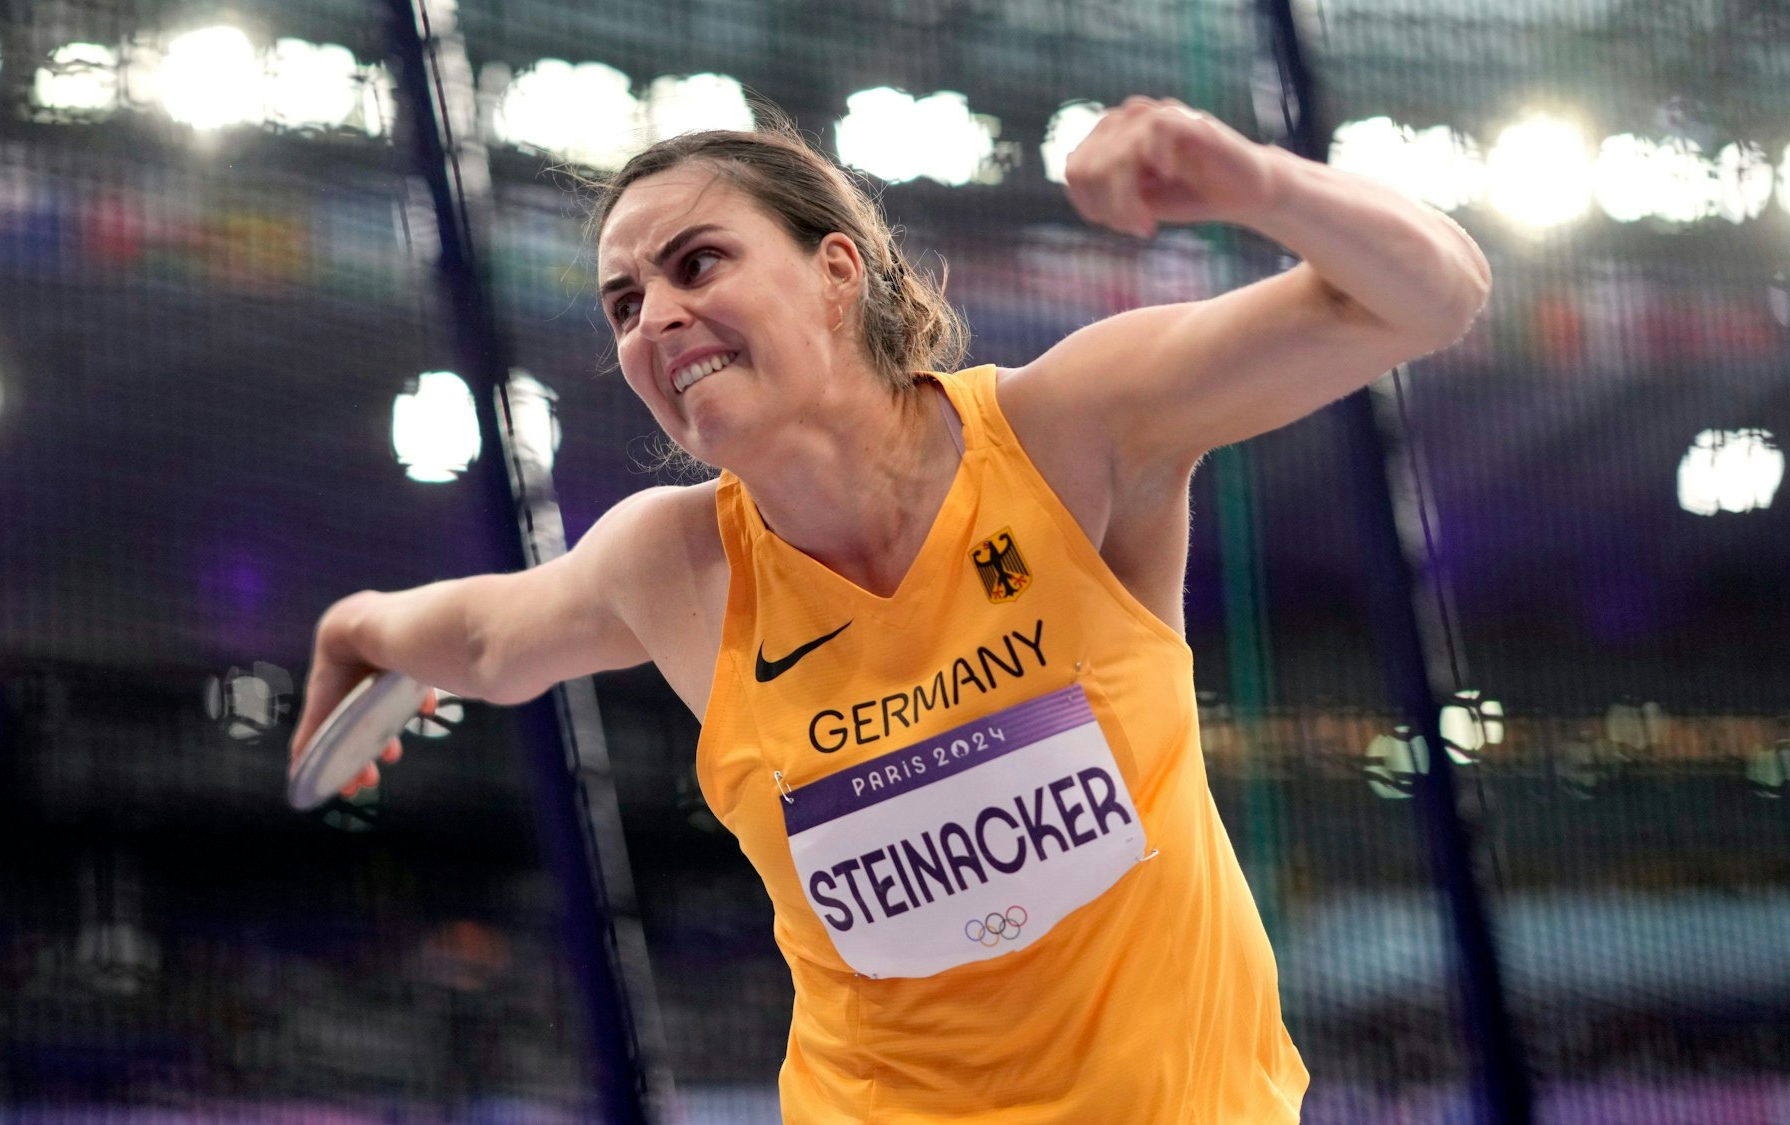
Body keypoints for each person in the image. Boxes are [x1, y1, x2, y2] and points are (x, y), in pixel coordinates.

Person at [290, 96, 1490, 1122]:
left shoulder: (1064, 434)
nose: (653, 316)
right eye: (622, 302)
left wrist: (1256, 184)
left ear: (835, 271)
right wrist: (358, 628)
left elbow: (1428, 300)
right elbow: (490, 639)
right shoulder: (674, 565)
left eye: (696, 264)